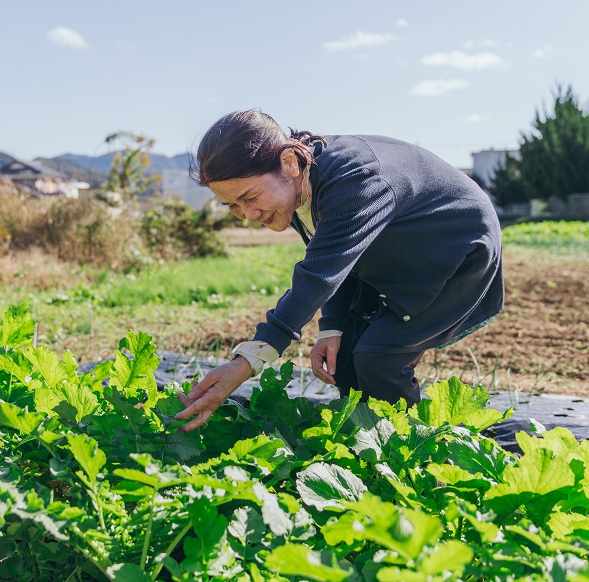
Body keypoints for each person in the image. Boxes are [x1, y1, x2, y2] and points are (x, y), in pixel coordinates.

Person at [175, 109, 504, 432]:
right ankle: (365, 446)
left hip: (457, 252)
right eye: (232, 205)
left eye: (250, 197)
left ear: (289, 162)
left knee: (379, 357)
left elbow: (319, 274)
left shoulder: (353, 179)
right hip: (394, 254)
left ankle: (413, 453)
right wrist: (333, 326)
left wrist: (246, 362)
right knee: (343, 356)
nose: (247, 214)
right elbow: (333, 255)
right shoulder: (301, 185)